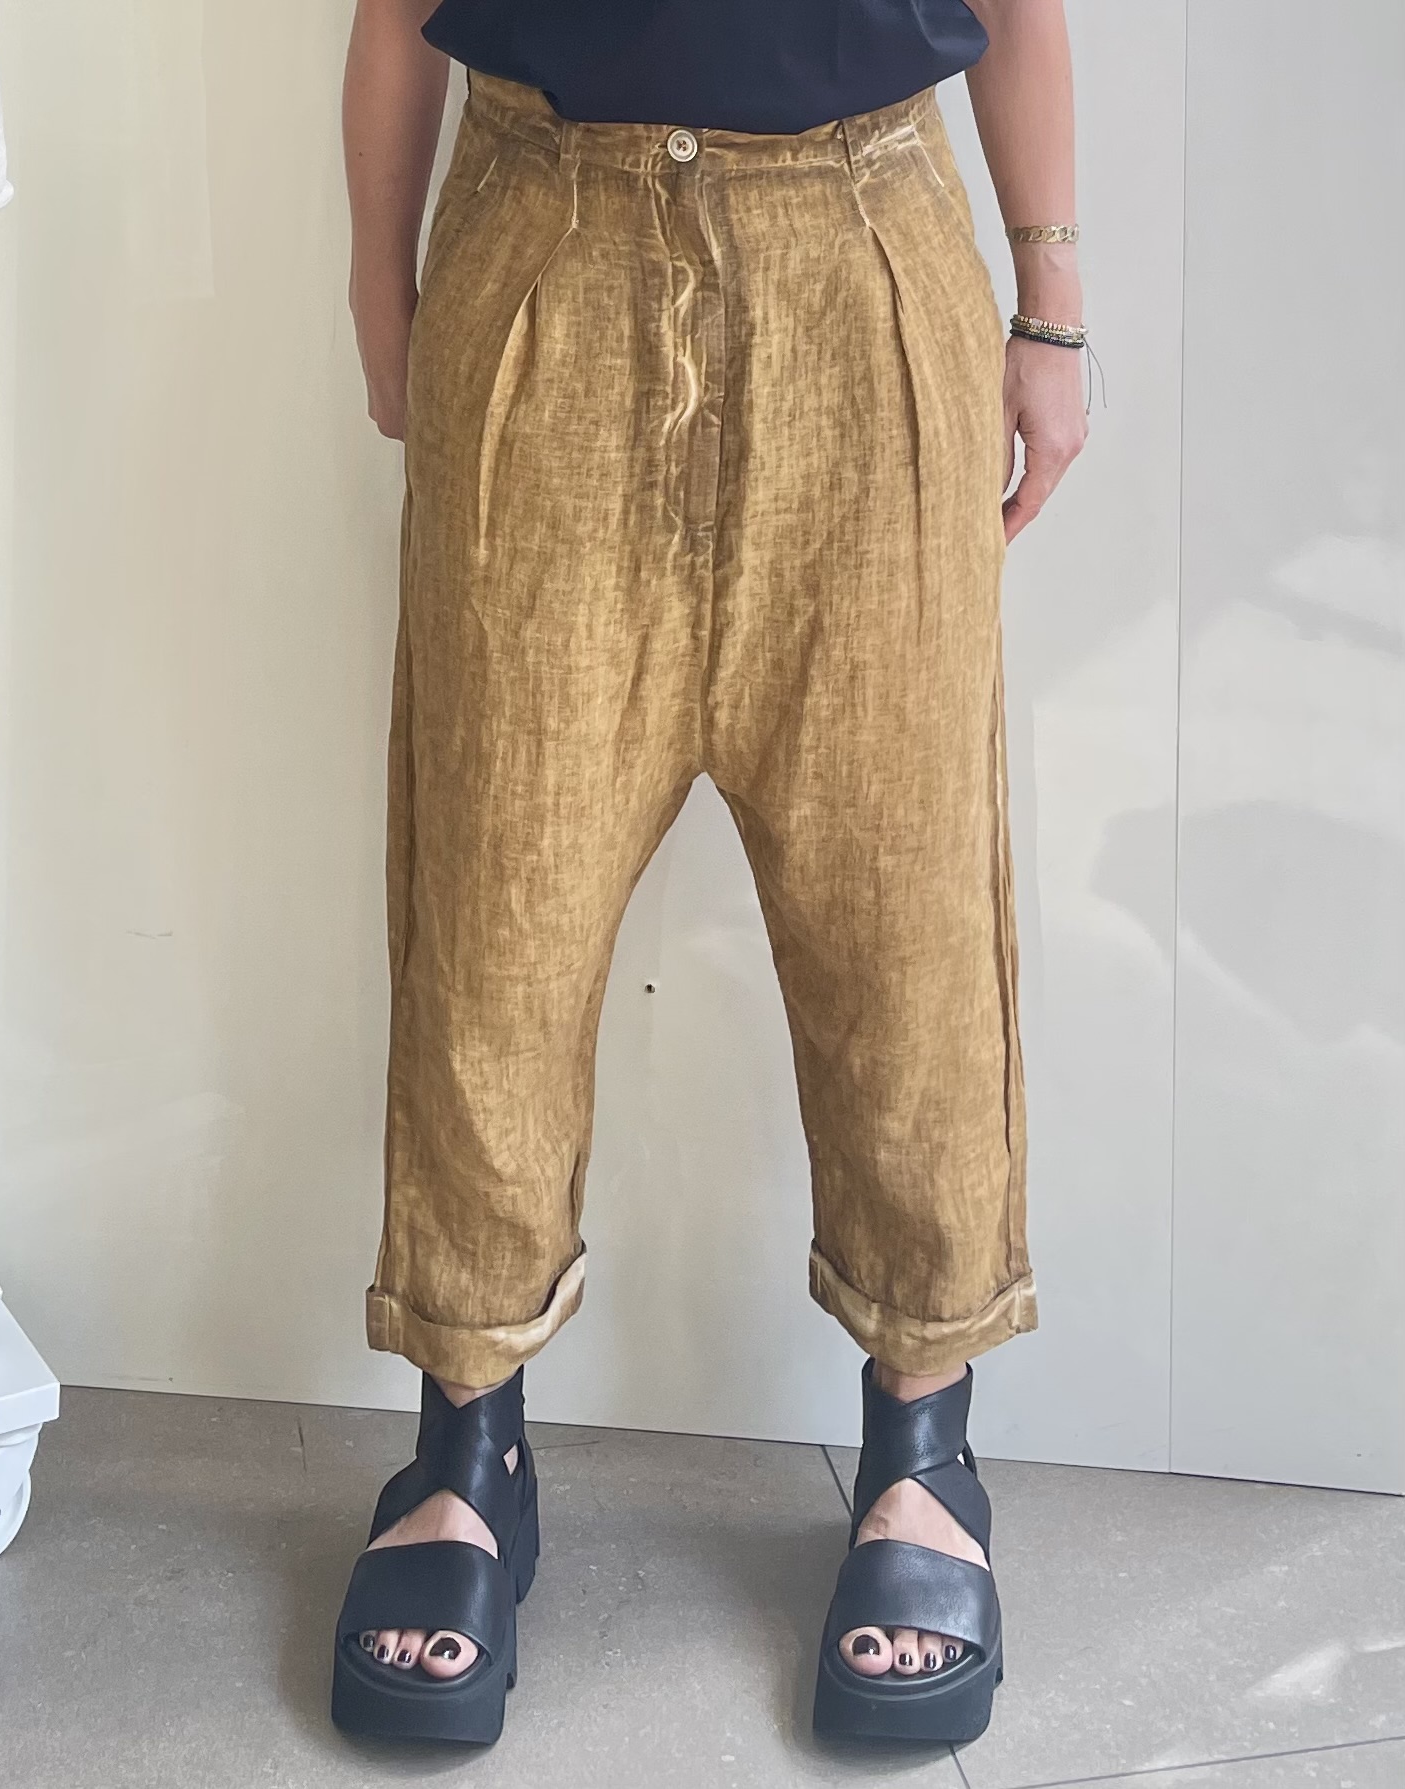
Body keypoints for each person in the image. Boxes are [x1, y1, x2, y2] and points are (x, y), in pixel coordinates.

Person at [331, 0, 1086, 1750]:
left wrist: (1052, 301)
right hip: (545, 234)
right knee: (496, 901)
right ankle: (465, 1444)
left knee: (902, 905)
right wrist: (379, 282)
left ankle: (924, 1447)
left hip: (866, 246)